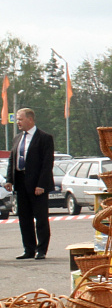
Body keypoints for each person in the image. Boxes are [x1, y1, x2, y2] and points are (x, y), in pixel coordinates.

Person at [5, 109, 54, 260]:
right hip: (21, 183)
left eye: (20, 119)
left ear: (30, 119)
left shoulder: (44, 138)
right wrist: (9, 180)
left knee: (41, 218)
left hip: (37, 185)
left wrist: (41, 185)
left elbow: (47, 163)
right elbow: (12, 160)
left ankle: (41, 250)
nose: (17, 122)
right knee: (24, 218)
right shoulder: (17, 138)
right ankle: (29, 249)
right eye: (17, 119)